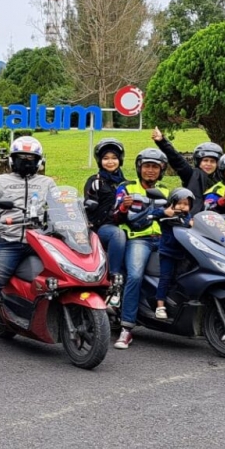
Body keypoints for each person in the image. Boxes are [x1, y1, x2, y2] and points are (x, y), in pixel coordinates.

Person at [0, 136, 59, 354]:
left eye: (31, 158)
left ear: (39, 161)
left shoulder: (48, 183)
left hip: (41, 241)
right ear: (11, 160)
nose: (26, 161)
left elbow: (61, 206)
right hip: (8, 241)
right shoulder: (0, 180)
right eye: (21, 158)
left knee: (57, 280)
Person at [113, 147, 171, 351]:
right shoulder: (126, 188)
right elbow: (115, 216)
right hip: (139, 240)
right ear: (139, 168)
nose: (150, 171)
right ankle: (126, 328)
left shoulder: (166, 191)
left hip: (164, 240)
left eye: (155, 167)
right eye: (147, 166)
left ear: (162, 170)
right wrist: (123, 207)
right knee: (135, 276)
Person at [152, 128, 225, 208]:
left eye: (212, 161)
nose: (208, 164)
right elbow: (177, 160)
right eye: (205, 160)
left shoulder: (222, 175)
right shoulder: (191, 174)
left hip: (219, 215)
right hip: (195, 216)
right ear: (198, 162)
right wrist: (162, 141)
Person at [84, 137, 127, 309]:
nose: (110, 162)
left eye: (114, 158)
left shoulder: (126, 183)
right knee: (118, 234)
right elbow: (88, 203)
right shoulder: (95, 181)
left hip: (124, 224)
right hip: (102, 228)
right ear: (100, 161)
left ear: (120, 160)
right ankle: (115, 280)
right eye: (106, 158)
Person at [154, 188, 195, 320]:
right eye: (180, 203)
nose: (183, 207)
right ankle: (160, 305)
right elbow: (154, 214)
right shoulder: (168, 215)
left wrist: (194, 223)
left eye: (186, 204)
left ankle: (176, 304)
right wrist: (164, 212)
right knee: (165, 277)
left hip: (183, 254)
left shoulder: (188, 217)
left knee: (180, 279)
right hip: (168, 252)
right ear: (172, 202)